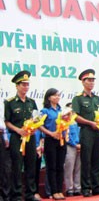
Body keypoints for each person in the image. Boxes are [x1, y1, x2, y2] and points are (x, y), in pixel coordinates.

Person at [4, 70, 41, 201]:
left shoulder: (31, 102)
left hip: (30, 138)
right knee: (17, 166)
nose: (25, 87)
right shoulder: (10, 102)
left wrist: (35, 127)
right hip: (16, 137)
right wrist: (18, 130)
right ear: (17, 86)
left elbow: (36, 118)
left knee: (31, 165)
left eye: (27, 84)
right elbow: (7, 121)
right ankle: (17, 194)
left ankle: (30, 193)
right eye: (23, 84)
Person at [71, 69, 99, 197]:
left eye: (93, 80)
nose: (92, 83)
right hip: (86, 131)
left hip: (98, 131)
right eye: (89, 80)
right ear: (83, 82)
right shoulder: (78, 98)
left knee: (97, 160)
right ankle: (86, 188)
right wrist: (89, 123)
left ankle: (96, 186)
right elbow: (75, 116)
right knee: (86, 160)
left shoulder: (97, 98)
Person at [39, 88, 67, 200]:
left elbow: (67, 123)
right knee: (52, 166)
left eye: (58, 95)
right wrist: (50, 133)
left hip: (61, 139)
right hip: (50, 140)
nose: (57, 97)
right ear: (49, 97)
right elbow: (39, 125)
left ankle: (60, 190)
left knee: (60, 166)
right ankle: (54, 191)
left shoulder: (62, 111)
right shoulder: (45, 111)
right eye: (54, 95)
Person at [63, 103, 82, 197]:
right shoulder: (65, 121)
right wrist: (75, 144)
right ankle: (69, 188)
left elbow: (81, 133)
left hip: (80, 146)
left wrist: (81, 144)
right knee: (69, 167)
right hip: (70, 146)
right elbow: (67, 135)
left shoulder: (77, 121)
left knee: (78, 167)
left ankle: (77, 187)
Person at [0, 99, 11, 201]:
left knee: (4, 167)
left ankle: (5, 195)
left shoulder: (2, 102)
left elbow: (3, 121)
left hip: (1, 135)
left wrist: (6, 138)